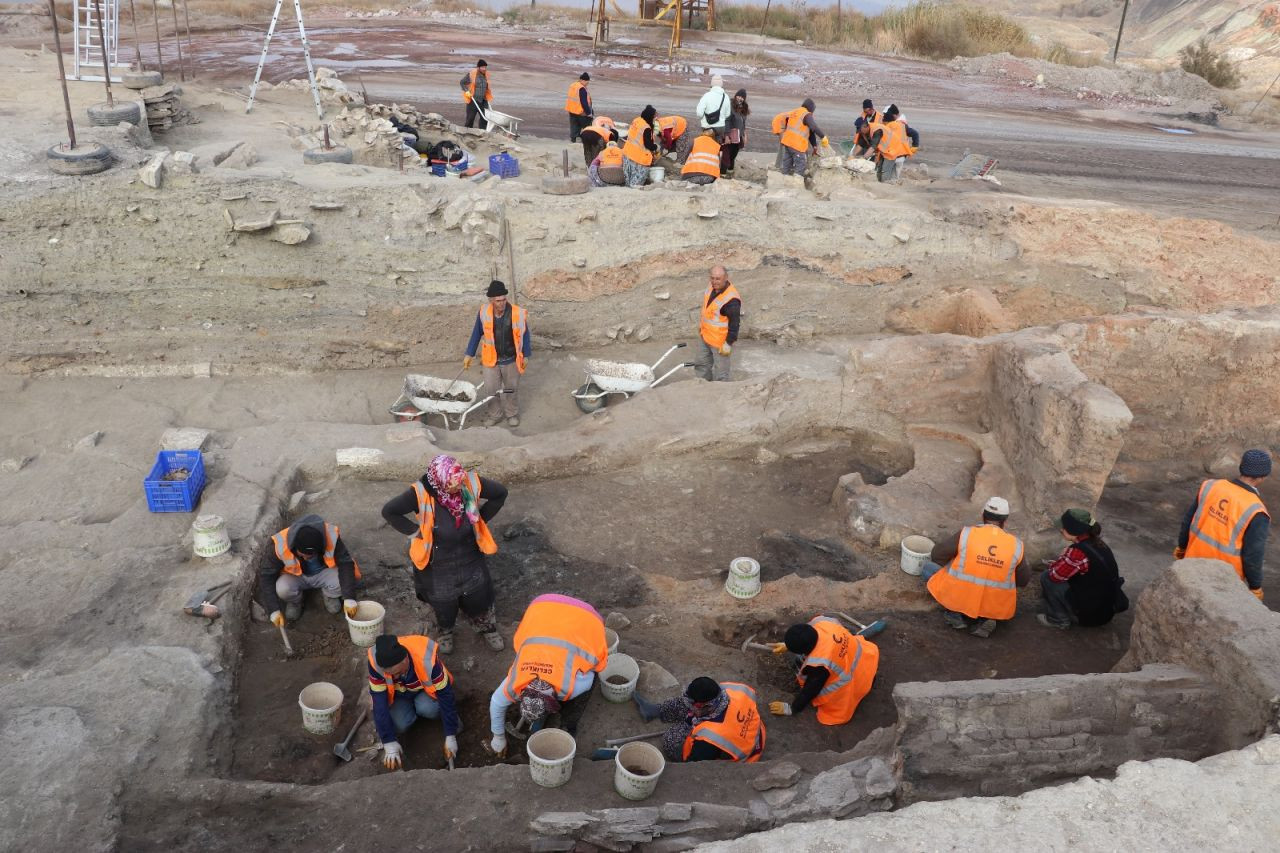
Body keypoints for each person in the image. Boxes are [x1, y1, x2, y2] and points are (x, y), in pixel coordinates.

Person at [380, 454, 508, 654]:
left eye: (460, 483)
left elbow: (500, 493)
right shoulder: (420, 493)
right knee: (443, 601)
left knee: (478, 595)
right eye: (452, 486)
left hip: (469, 555)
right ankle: (445, 631)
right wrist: (417, 532)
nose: (458, 488)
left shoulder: (468, 481)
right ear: (439, 482)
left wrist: (480, 519)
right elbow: (389, 511)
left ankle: (486, 627)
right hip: (437, 562)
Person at [485, 594, 609, 757]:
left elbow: (591, 674)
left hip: (587, 618)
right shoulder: (515, 682)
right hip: (541, 607)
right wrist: (498, 737)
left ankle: (568, 726)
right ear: (521, 694)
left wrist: (577, 668)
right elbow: (496, 702)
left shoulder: (574, 687)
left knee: (590, 681)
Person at [923, 496, 1030, 638]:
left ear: (983, 516)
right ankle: (985, 618)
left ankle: (954, 614)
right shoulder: (1016, 545)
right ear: (1004, 522)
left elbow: (937, 555)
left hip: (960, 597)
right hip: (993, 604)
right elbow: (1023, 581)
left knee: (927, 568)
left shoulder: (967, 534)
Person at [1176, 449, 1271, 599]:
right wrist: (1255, 586)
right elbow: (1253, 555)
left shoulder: (1210, 486)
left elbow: (1188, 521)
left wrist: (1181, 547)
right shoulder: (1257, 511)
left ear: (1241, 467)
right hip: (1223, 582)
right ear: (1263, 477)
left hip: (1192, 563)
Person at [368, 634, 461, 771]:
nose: (395, 677)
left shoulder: (427, 660)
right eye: (391, 675)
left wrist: (450, 734)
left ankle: (455, 724)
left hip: (424, 692)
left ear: (406, 659)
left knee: (428, 708)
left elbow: (446, 696)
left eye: (398, 673)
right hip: (400, 696)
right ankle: (412, 718)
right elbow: (379, 703)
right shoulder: (376, 663)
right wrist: (388, 741)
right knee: (399, 723)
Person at [767, 616, 879, 725]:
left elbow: (810, 690)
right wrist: (788, 645)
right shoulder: (823, 622)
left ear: (805, 651)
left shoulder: (821, 664)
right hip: (867, 665)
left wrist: (792, 708)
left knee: (801, 664)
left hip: (855, 686)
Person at [259, 514, 360, 627]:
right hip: (296, 576)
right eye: (302, 555)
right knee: (283, 588)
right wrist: (273, 610)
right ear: (295, 547)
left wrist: (349, 598)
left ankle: (330, 595)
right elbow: (266, 575)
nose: (306, 558)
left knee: (343, 579)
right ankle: (295, 601)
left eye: (311, 556)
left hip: (323, 573)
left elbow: (345, 563)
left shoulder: (331, 536)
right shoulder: (280, 545)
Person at [632, 677, 765, 763]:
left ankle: (689, 724)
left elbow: (695, 762)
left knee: (670, 739)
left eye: (694, 706)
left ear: (705, 706)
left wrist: (690, 726)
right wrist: (693, 713)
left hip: (741, 751)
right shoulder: (730, 690)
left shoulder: (711, 740)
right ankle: (656, 711)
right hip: (747, 726)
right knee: (684, 703)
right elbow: (689, 703)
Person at [1039, 509, 1127, 629]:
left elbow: (1055, 576)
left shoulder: (1078, 552)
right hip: (1105, 611)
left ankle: (1058, 620)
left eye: (1063, 527)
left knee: (1046, 577)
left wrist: (1061, 558)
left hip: (1090, 616)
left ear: (1074, 530)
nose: (1061, 529)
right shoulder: (1098, 543)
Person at [463, 279, 530, 428]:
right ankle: (495, 415)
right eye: (498, 301)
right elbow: (476, 334)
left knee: (511, 389)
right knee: (491, 390)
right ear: (491, 300)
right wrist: (469, 354)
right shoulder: (484, 313)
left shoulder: (517, 313)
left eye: (504, 299)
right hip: (490, 360)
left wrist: (526, 355)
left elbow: (525, 335)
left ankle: (511, 414)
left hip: (511, 359)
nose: (502, 303)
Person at [694, 265, 740, 382]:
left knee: (721, 373)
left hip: (719, 342)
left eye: (718, 279)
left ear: (726, 278)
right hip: (705, 335)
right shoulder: (711, 287)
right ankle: (703, 387)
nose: (714, 282)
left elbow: (735, 324)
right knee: (701, 365)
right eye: (712, 278)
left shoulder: (731, 300)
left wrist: (728, 343)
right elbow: (708, 310)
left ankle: (720, 395)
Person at [775, 98, 829, 177]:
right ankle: (797, 185)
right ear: (811, 108)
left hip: (787, 143)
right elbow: (814, 127)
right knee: (800, 166)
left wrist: (814, 145)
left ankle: (784, 181)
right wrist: (823, 137)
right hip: (797, 145)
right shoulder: (806, 114)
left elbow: (810, 131)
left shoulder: (796, 112)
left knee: (786, 165)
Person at [870, 104, 919, 183]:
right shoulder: (902, 125)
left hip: (892, 155)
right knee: (894, 178)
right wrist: (915, 146)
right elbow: (915, 134)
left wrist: (914, 147)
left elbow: (915, 134)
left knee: (886, 178)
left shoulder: (892, 126)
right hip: (900, 155)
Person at [621, 105, 658, 188]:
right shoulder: (646, 128)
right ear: (650, 116)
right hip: (638, 158)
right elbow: (648, 145)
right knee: (636, 183)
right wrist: (655, 147)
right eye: (655, 116)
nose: (656, 118)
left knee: (628, 180)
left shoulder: (637, 120)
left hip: (627, 153)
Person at [720, 89, 749, 177]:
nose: (740, 98)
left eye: (742, 97)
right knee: (726, 156)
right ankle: (722, 174)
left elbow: (743, 123)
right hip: (730, 135)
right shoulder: (730, 106)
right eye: (739, 96)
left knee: (733, 155)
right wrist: (727, 136)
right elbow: (727, 121)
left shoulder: (743, 108)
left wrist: (744, 134)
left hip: (738, 136)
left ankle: (730, 173)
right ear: (735, 96)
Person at [460, 59, 492, 129]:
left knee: (485, 118)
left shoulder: (487, 74)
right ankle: (467, 133)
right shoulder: (472, 74)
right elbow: (462, 82)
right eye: (482, 67)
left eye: (485, 67)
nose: (484, 69)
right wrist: (467, 91)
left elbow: (487, 87)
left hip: (483, 100)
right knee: (470, 119)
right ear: (478, 67)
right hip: (473, 100)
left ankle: (482, 133)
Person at [696, 74, 730, 140]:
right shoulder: (726, 96)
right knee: (718, 146)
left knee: (707, 146)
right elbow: (727, 114)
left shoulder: (706, 96)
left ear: (712, 84)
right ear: (721, 84)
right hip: (721, 127)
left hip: (707, 127)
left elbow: (699, 114)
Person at [565, 72, 593, 143]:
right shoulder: (581, 89)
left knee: (574, 127)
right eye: (587, 81)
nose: (587, 83)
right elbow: (584, 102)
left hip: (572, 111)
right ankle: (587, 141)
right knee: (587, 128)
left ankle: (573, 140)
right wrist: (589, 113)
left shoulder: (573, 85)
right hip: (581, 112)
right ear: (583, 80)